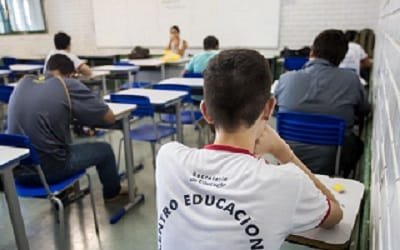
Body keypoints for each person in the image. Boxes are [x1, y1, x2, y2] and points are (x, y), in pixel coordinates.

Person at [156, 49, 343, 250]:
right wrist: (283, 152)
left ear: (206, 112)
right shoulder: (286, 182)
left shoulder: (168, 157)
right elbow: (335, 215)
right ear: (269, 109)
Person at [8, 54, 125, 202]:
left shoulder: (23, 84)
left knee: (60, 142)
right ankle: (113, 194)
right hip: (49, 171)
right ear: (70, 74)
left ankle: (64, 194)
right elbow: (109, 118)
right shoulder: (66, 84)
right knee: (105, 150)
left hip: (17, 171)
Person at [275, 29, 370, 176]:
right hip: (333, 161)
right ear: (342, 57)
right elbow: (364, 110)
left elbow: (276, 110)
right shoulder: (351, 80)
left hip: (288, 157)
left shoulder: (286, 79)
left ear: (312, 51)